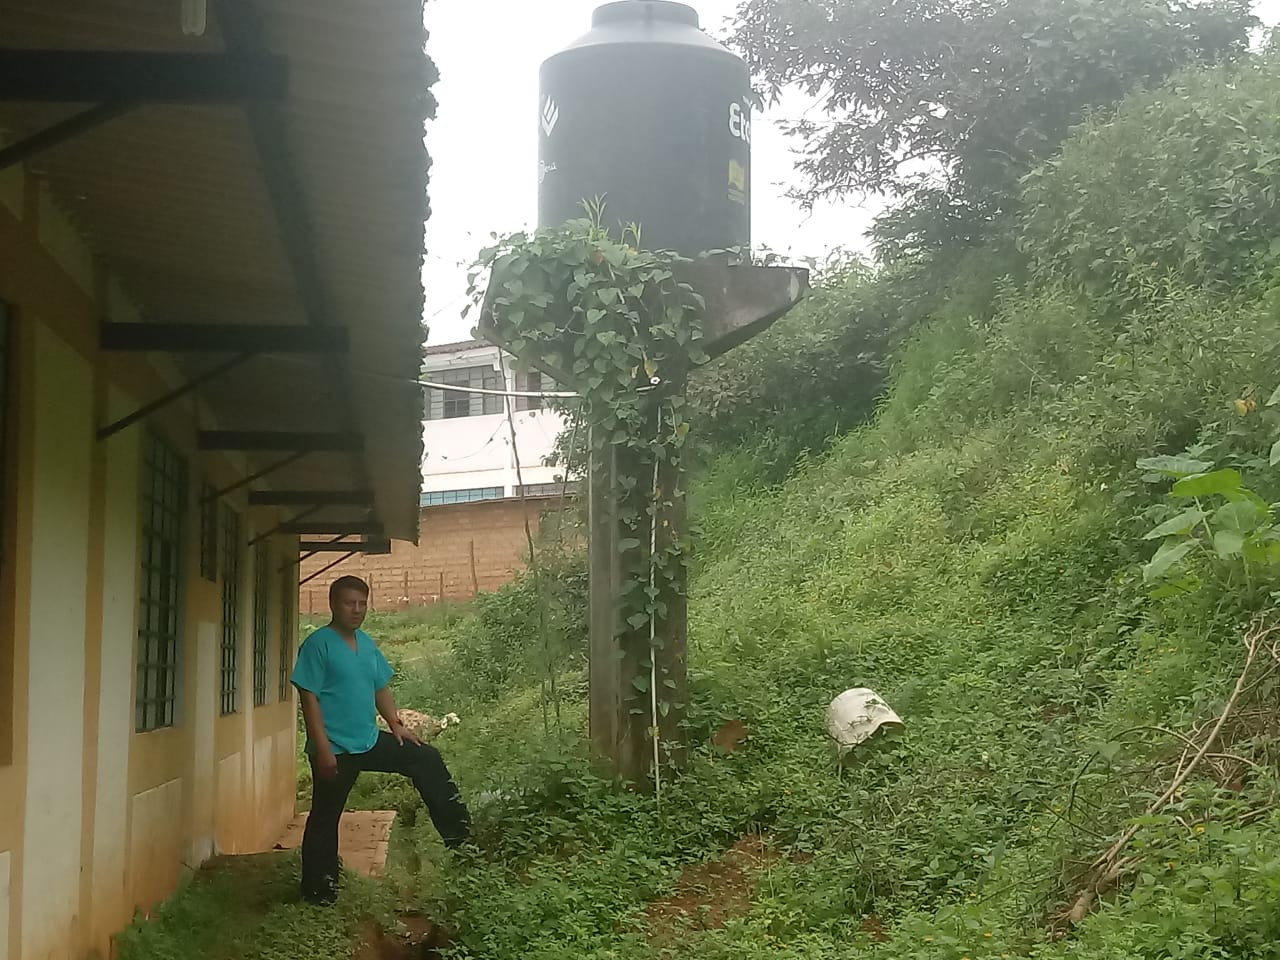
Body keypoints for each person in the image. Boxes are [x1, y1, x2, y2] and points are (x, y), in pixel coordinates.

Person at [291, 574, 469, 904]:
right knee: (325, 817)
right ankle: (319, 891)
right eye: (350, 603)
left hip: (369, 740)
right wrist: (324, 749)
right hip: (335, 748)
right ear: (333, 604)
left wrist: (396, 724)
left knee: (425, 758)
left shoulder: (366, 643)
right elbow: (309, 698)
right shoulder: (317, 645)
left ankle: (462, 841)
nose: (357, 610)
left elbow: (380, 687)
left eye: (362, 604)